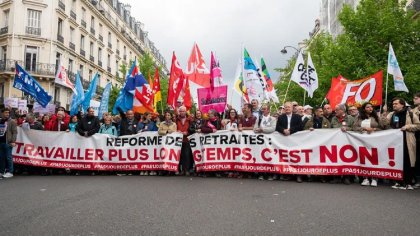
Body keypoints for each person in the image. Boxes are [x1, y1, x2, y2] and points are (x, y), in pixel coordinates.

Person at [385, 97, 420, 190]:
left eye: (396, 103)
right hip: (395, 142)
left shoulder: (410, 113)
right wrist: (384, 113)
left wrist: (408, 126)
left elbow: (418, 125)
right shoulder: (391, 114)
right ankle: (398, 182)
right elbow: (384, 124)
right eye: (393, 104)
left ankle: (408, 182)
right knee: (397, 161)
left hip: (407, 141)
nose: (394, 105)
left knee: (408, 161)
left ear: (402, 105)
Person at [352, 102, 386, 187]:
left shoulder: (377, 117)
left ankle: (374, 178)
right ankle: (365, 178)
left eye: (371, 107)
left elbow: (383, 128)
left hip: (374, 141)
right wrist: (363, 128)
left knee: (374, 158)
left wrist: (374, 129)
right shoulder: (359, 117)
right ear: (364, 109)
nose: (370, 108)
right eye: (368, 107)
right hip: (362, 141)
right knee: (364, 158)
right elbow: (354, 127)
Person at [275, 102, 303, 182]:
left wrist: (290, 130)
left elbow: (300, 126)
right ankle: (286, 174)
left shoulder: (297, 117)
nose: (287, 108)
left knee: (296, 158)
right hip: (284, 140)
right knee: (285, 157)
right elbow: (277, 127)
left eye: (288, 107)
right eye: (285, 107)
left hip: (295, 140)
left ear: (292, 108)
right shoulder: (281, 117)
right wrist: (283, 130)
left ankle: (298, 175)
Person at [330, 104, 354, 185]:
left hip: (347, 143)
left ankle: (346, 177)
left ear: (342, 110)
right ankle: (337, 177)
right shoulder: (333, 119)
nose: (335, 111)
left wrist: (347, 129)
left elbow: (355, 128)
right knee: (336, 159)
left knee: (347, 159)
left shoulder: (350, 118)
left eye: (337, 110)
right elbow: (330, 129)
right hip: (336, 143)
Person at [254, 104, 277, 181]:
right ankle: (261, 173)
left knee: (269, 156)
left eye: (264, 109)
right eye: (262, 109)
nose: (263, 110)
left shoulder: (273, 119)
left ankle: (270, 173)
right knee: (261, 156)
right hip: (260, 141)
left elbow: (273, 128)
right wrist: (258, 130)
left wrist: (262, 130)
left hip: (270, 142)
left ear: (268, 110)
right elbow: (255, 129)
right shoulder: (259, 118)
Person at [0, 108, 17, 178]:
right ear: (2, 113)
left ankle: (10, 172)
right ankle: (1, 171)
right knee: (1, 158)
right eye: (5, 112)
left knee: (8, 157)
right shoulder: (0, 121)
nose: (7, 114)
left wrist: (13, 141)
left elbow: (15, 132)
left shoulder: (12, 121)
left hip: (8, 142)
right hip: (1, 142)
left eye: (8, 113)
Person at [176, 106, 193, 176]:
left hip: (187, 140)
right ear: (179, 112)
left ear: (186, 112)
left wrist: (187, 132)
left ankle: (187, 170)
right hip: (179, 140)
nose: (182, 112)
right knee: (181, 156)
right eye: (181, 111)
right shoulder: (176, 119)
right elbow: (174, 127)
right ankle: (182, 170)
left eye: (183, 111)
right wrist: (177, 131)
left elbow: (192, 129)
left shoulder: (190, 119)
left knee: (187, 155)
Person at [412, 92, 420, 188]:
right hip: (416, 138)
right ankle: (417, 179)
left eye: (416, 98)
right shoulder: (412, 111)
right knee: (417, 159)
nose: (414, 99)